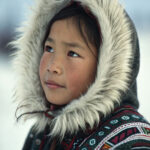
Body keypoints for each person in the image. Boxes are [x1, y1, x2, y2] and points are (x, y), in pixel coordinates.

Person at [12, 0, 150, 149]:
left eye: (72, 53)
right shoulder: (43, 134)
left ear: (107, 68)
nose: (53, 67)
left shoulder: (133, 142)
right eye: (49, 48)